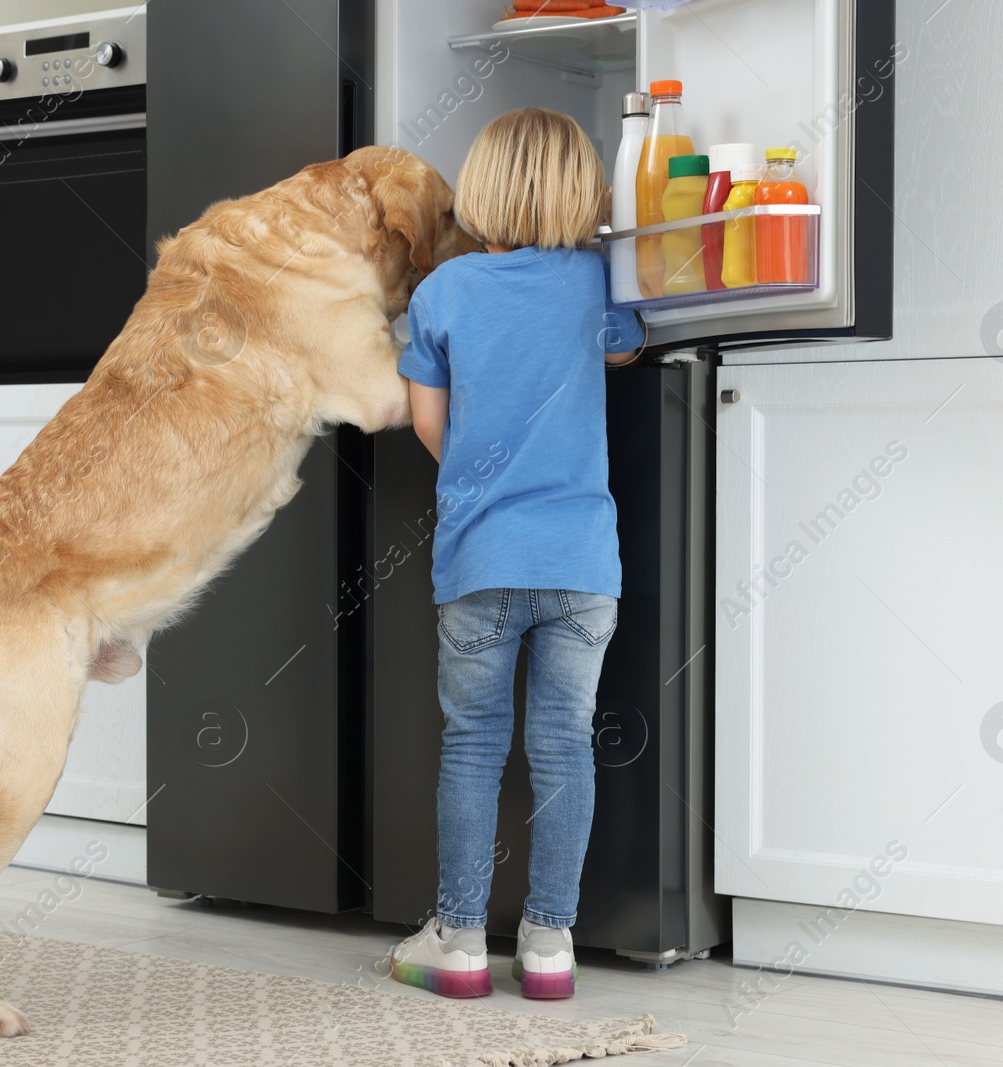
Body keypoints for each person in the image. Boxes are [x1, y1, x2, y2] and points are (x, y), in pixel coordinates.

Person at [388, 107, 642, 1000]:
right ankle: (550, 944)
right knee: (564, 745)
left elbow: (428, 422)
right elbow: (626, 352)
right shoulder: (600, 282)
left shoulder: (442, 294)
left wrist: (479, 476)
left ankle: (458, 941)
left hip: (479, 558)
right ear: (586, 193)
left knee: (473, 746)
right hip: (580, 563)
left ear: (482, 191)